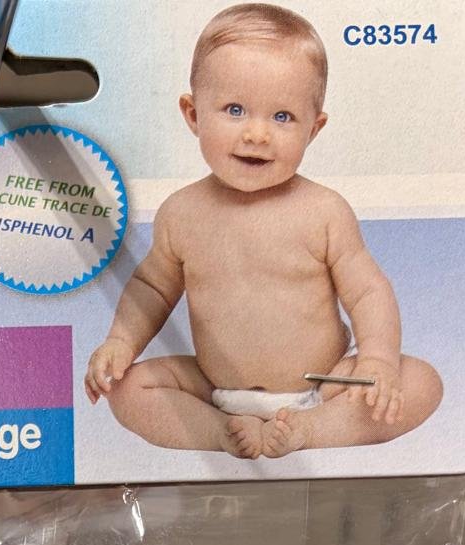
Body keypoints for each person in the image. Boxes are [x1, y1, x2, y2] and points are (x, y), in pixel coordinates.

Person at [85, 2, 442, 458]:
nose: (257, 134)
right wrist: (120, 341)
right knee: (129, 390)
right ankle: (220, 432)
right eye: (235, 110)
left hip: (323, 383)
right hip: (213, 385)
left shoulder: (324, 211)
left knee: (421, 382)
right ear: (193, 114)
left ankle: (312, 429)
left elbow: (368, 291)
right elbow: (152, 289)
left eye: (282, 117)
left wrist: (377, 360)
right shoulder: (181, 213)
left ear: (314, 128)